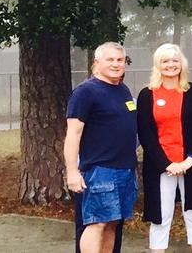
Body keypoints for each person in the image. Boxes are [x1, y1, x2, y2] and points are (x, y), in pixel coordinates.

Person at [137, 44, 192, 253]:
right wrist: (166, 164)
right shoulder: (147, 94)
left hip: (191, 165)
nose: (171, 65)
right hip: (161, 167)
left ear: (182, 63)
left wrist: (191, 160)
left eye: (175, 60)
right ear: (158, 65)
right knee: (161, 218)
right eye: (165, 61)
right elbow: (145, 134)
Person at [64, 42, 137, 253]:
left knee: (112, 223)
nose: (116, 64)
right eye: (110, 59)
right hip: (99, 171)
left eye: (120, 60)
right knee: (97, 223)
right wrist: (72, 171)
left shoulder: (123, 90)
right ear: (97, 63)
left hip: (125, 170)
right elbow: (73, 134)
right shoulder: (85, 92)